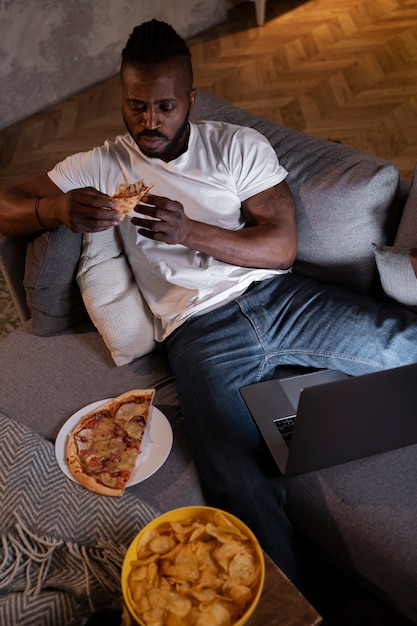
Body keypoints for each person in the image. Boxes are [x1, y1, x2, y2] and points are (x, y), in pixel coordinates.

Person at [1, 19, 417, 595]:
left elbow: (281, 248)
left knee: (407, 344)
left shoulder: (236, 148)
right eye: (137, 105)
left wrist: (190, 231)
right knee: (235, 481)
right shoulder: (100, 166)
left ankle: (300, 419)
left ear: (190, 100)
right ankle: (288, 607)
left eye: (165, 106)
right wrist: (56, 210)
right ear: (122, 100)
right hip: (196, 333)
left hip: (276, 296)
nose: (150, 121)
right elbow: (7, 203)